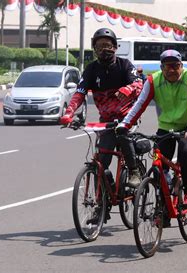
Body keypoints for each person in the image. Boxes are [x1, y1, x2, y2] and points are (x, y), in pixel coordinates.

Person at [117, 49, 187, 213]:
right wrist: (125, 124)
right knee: (159, 168)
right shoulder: (153, 81)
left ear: (181, 66)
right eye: (167, 67)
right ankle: (163, 208)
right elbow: (139, 105)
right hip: (166, 127)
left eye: (175, 66)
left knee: (185, 153)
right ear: (161, 67)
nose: (171, 70)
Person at [59, 28, 144, 190]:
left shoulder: (124, 65)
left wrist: (128, 89)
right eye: (99, 46)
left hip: (127, 118)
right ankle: (102, 202)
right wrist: (69, 112)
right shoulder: (91, 69)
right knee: (100, 162)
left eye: (108, 45)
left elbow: (138, 84)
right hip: (106, 121)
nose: (104, 50)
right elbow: (79, 93)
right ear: (94, 49)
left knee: (122, 133)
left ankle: (134, 171)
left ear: (115, 47)